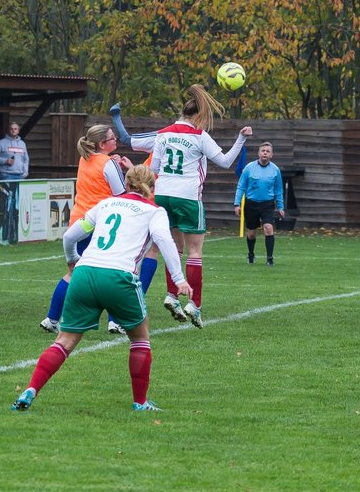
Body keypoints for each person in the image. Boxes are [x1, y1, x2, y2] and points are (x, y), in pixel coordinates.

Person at [12, 165, 191, 412]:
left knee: (64, 341)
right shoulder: (154, 211)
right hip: (119, 276)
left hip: (85, 273)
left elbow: (69, 236)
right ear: (152, 187)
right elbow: (165, 242)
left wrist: (72, 259)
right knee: (140, 339)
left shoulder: (106, 204)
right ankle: (140, 403)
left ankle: (30, 390)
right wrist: (179, 278)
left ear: (126, 184)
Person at [130, 84, 251, 328]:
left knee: (173, 248)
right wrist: (241, 138)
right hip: (187, 196)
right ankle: (194, 304)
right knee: (195, 252)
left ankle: (172, 295)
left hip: (163, 195)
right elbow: (226, 162)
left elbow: (153, 170)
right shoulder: (198, 136)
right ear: (197, 116)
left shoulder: (163, 133)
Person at [40, 124, 134, 335]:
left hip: (79, 220)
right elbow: (120, 195)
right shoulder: (108, 163)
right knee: (114, 270)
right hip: (102, 221)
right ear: (102, 144)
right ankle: (114, 321)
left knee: (73, 273)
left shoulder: (85, 158)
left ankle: (52, 318)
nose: (115, 141)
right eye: (112, 138)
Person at [234, 141, 284, 265]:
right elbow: (241, 187)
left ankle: (270, 258)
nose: (265, 153)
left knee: (268, 228)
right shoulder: (249, 168)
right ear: (259, 153)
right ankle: (251, 255)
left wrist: (281, 206)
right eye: (263, 151)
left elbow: (278, 190)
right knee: (251, 233)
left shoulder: (275, 170)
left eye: (268, 151)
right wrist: (237, 204)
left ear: (271, 155)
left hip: (267, 204)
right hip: (251, 204)